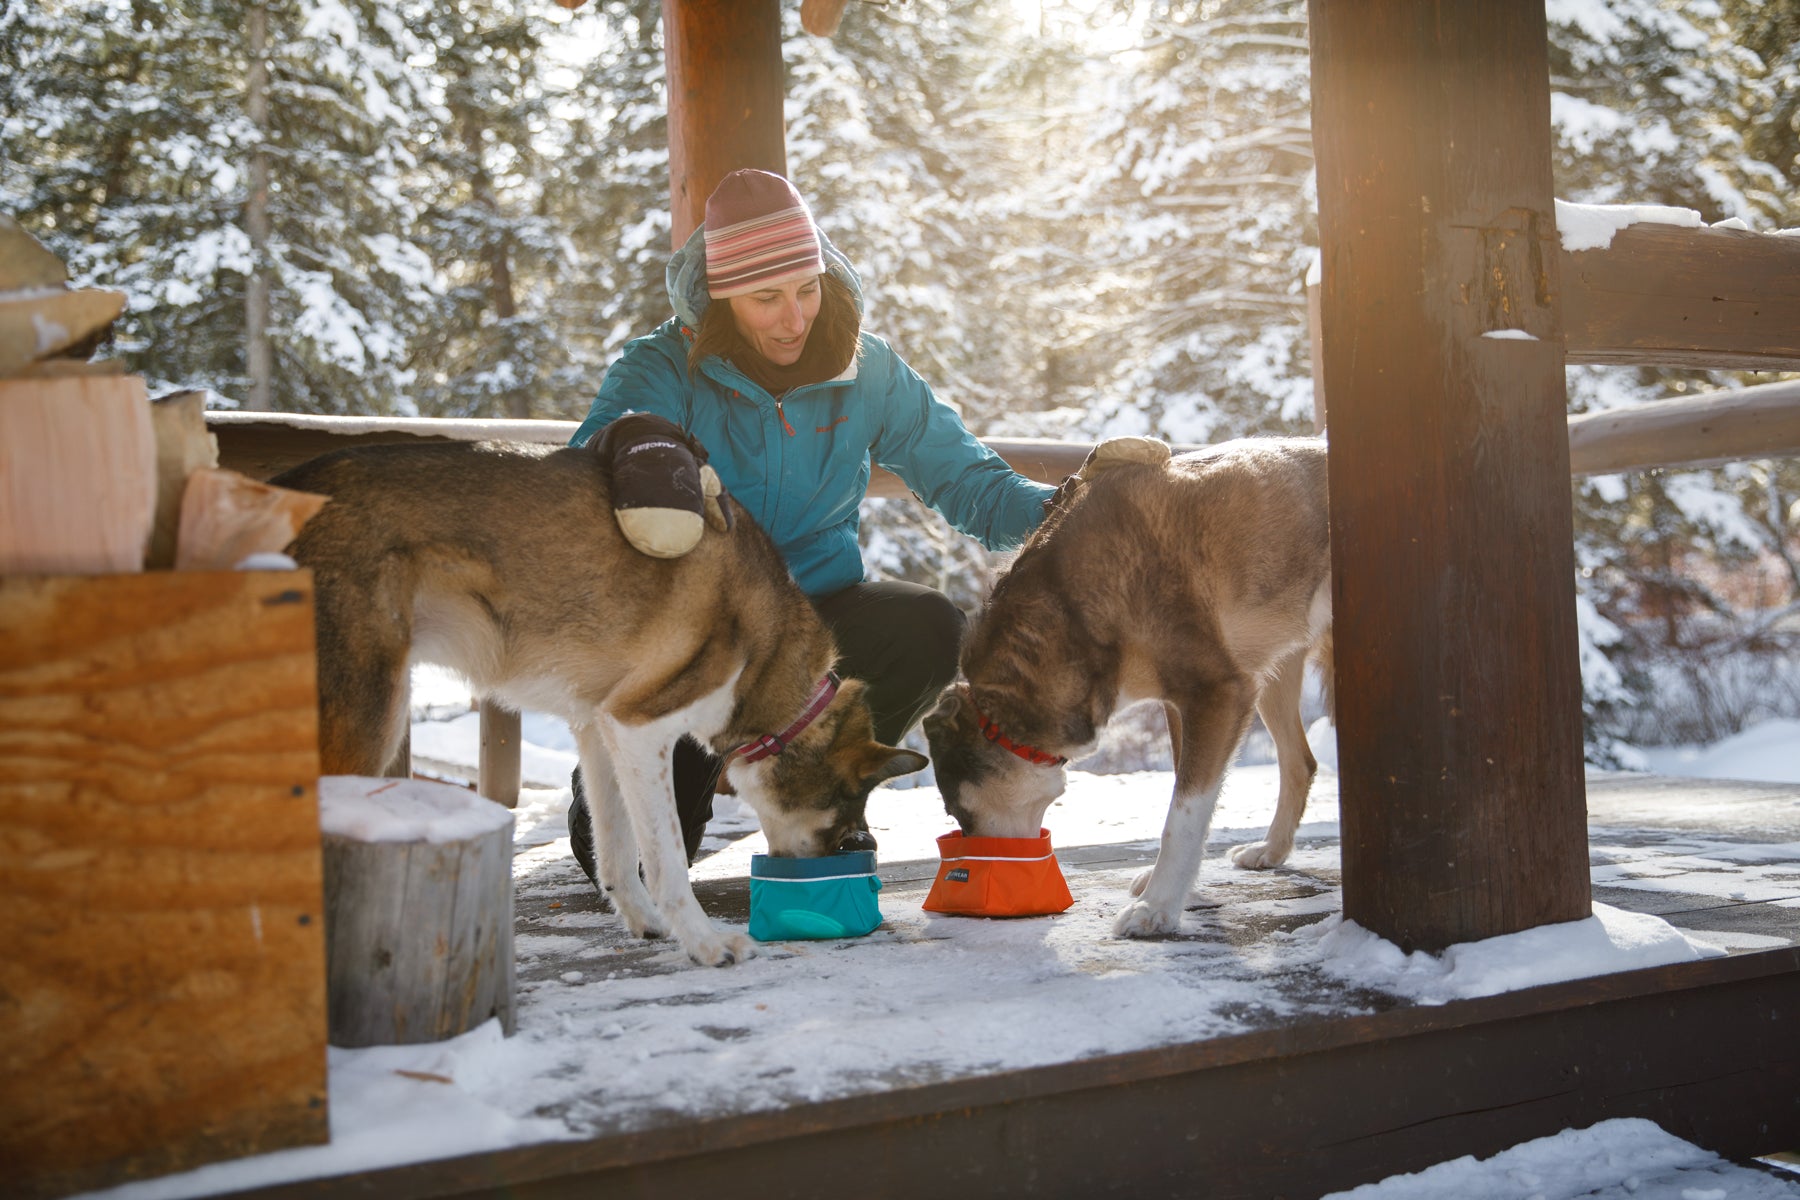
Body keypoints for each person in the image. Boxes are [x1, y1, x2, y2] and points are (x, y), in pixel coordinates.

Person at [566, 168, 1056, 878]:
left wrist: (1063, 508)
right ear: (723, 298)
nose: (793, 318)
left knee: (927, 625)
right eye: (766, 298)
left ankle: (826, 787)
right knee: (628, 863)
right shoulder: (665, 365)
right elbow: (601, 453)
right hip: (690, 641)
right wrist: (637, 450)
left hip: (816, 623)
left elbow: (966, 479)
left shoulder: (869, 368)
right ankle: (708, 770)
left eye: (806, 288)